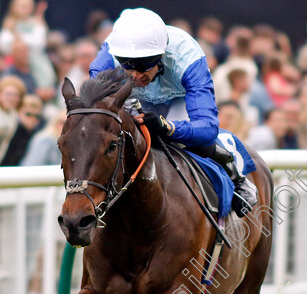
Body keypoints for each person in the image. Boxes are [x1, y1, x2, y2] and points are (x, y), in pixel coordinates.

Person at [89, 8, 257, 216]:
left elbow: (207, 128)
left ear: (161, 55)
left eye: (143, 65)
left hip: (179, 97)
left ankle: (237, 176)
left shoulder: (188, 58)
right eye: (127, 64)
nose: (134, 75)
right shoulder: (108, 56)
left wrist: (167, 127)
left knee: (189, 140)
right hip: (134, 97)